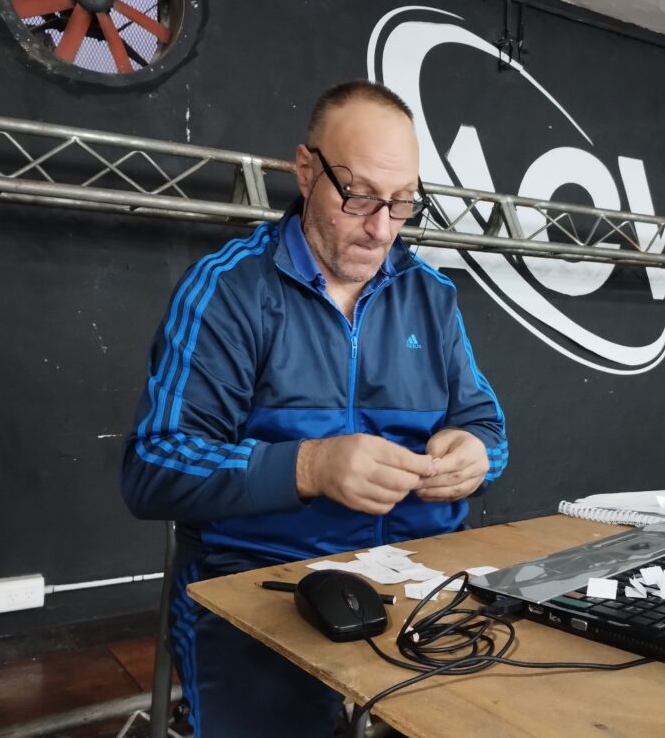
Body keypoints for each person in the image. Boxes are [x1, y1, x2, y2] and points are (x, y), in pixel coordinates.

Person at [120, 80, 508, 737]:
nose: (381, 227)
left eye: (402, 202)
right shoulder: (230, 290)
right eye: (358, 195)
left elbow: (487, 428)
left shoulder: (432, 295)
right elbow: (152, 466)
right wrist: (309, 467)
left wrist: (476, 455)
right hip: (261, 580)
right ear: (306, 171)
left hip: (419, 576)